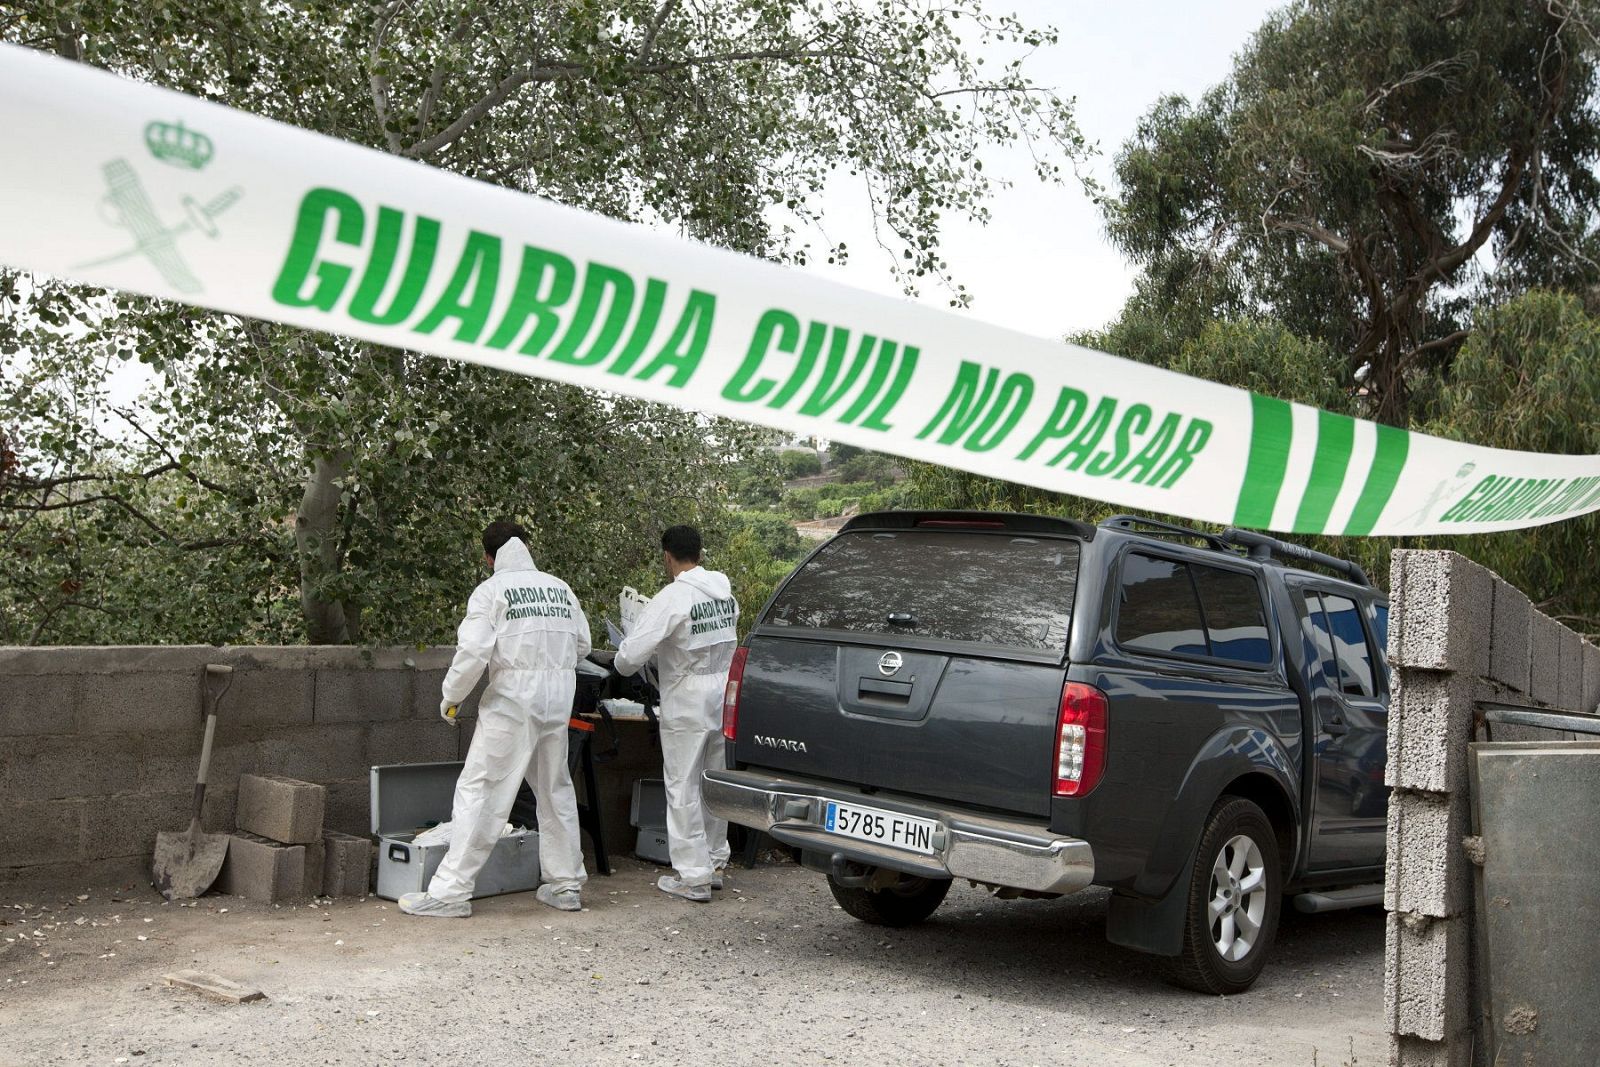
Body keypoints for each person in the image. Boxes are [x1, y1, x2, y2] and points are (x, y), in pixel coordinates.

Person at [399, 520, 592, 918]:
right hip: (558, 696)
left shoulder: (491, 591)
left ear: (489, 557)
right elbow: (584, 644)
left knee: (482, 789)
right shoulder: (560, 588)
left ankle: (450, 893)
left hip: (513, 698)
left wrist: (451, 697)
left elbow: (473, 653)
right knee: (555, 790)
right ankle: (566, 884)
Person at [614, 525, 740, 903]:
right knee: (714, 783)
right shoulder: (724, 593)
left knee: (682, 786)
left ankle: (693, 877)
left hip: (686, 695)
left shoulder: (673, 597)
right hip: (723, 692)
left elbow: (628, 659)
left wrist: (629, 640)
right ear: (699, 553)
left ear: (668, 557)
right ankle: (714, 863)